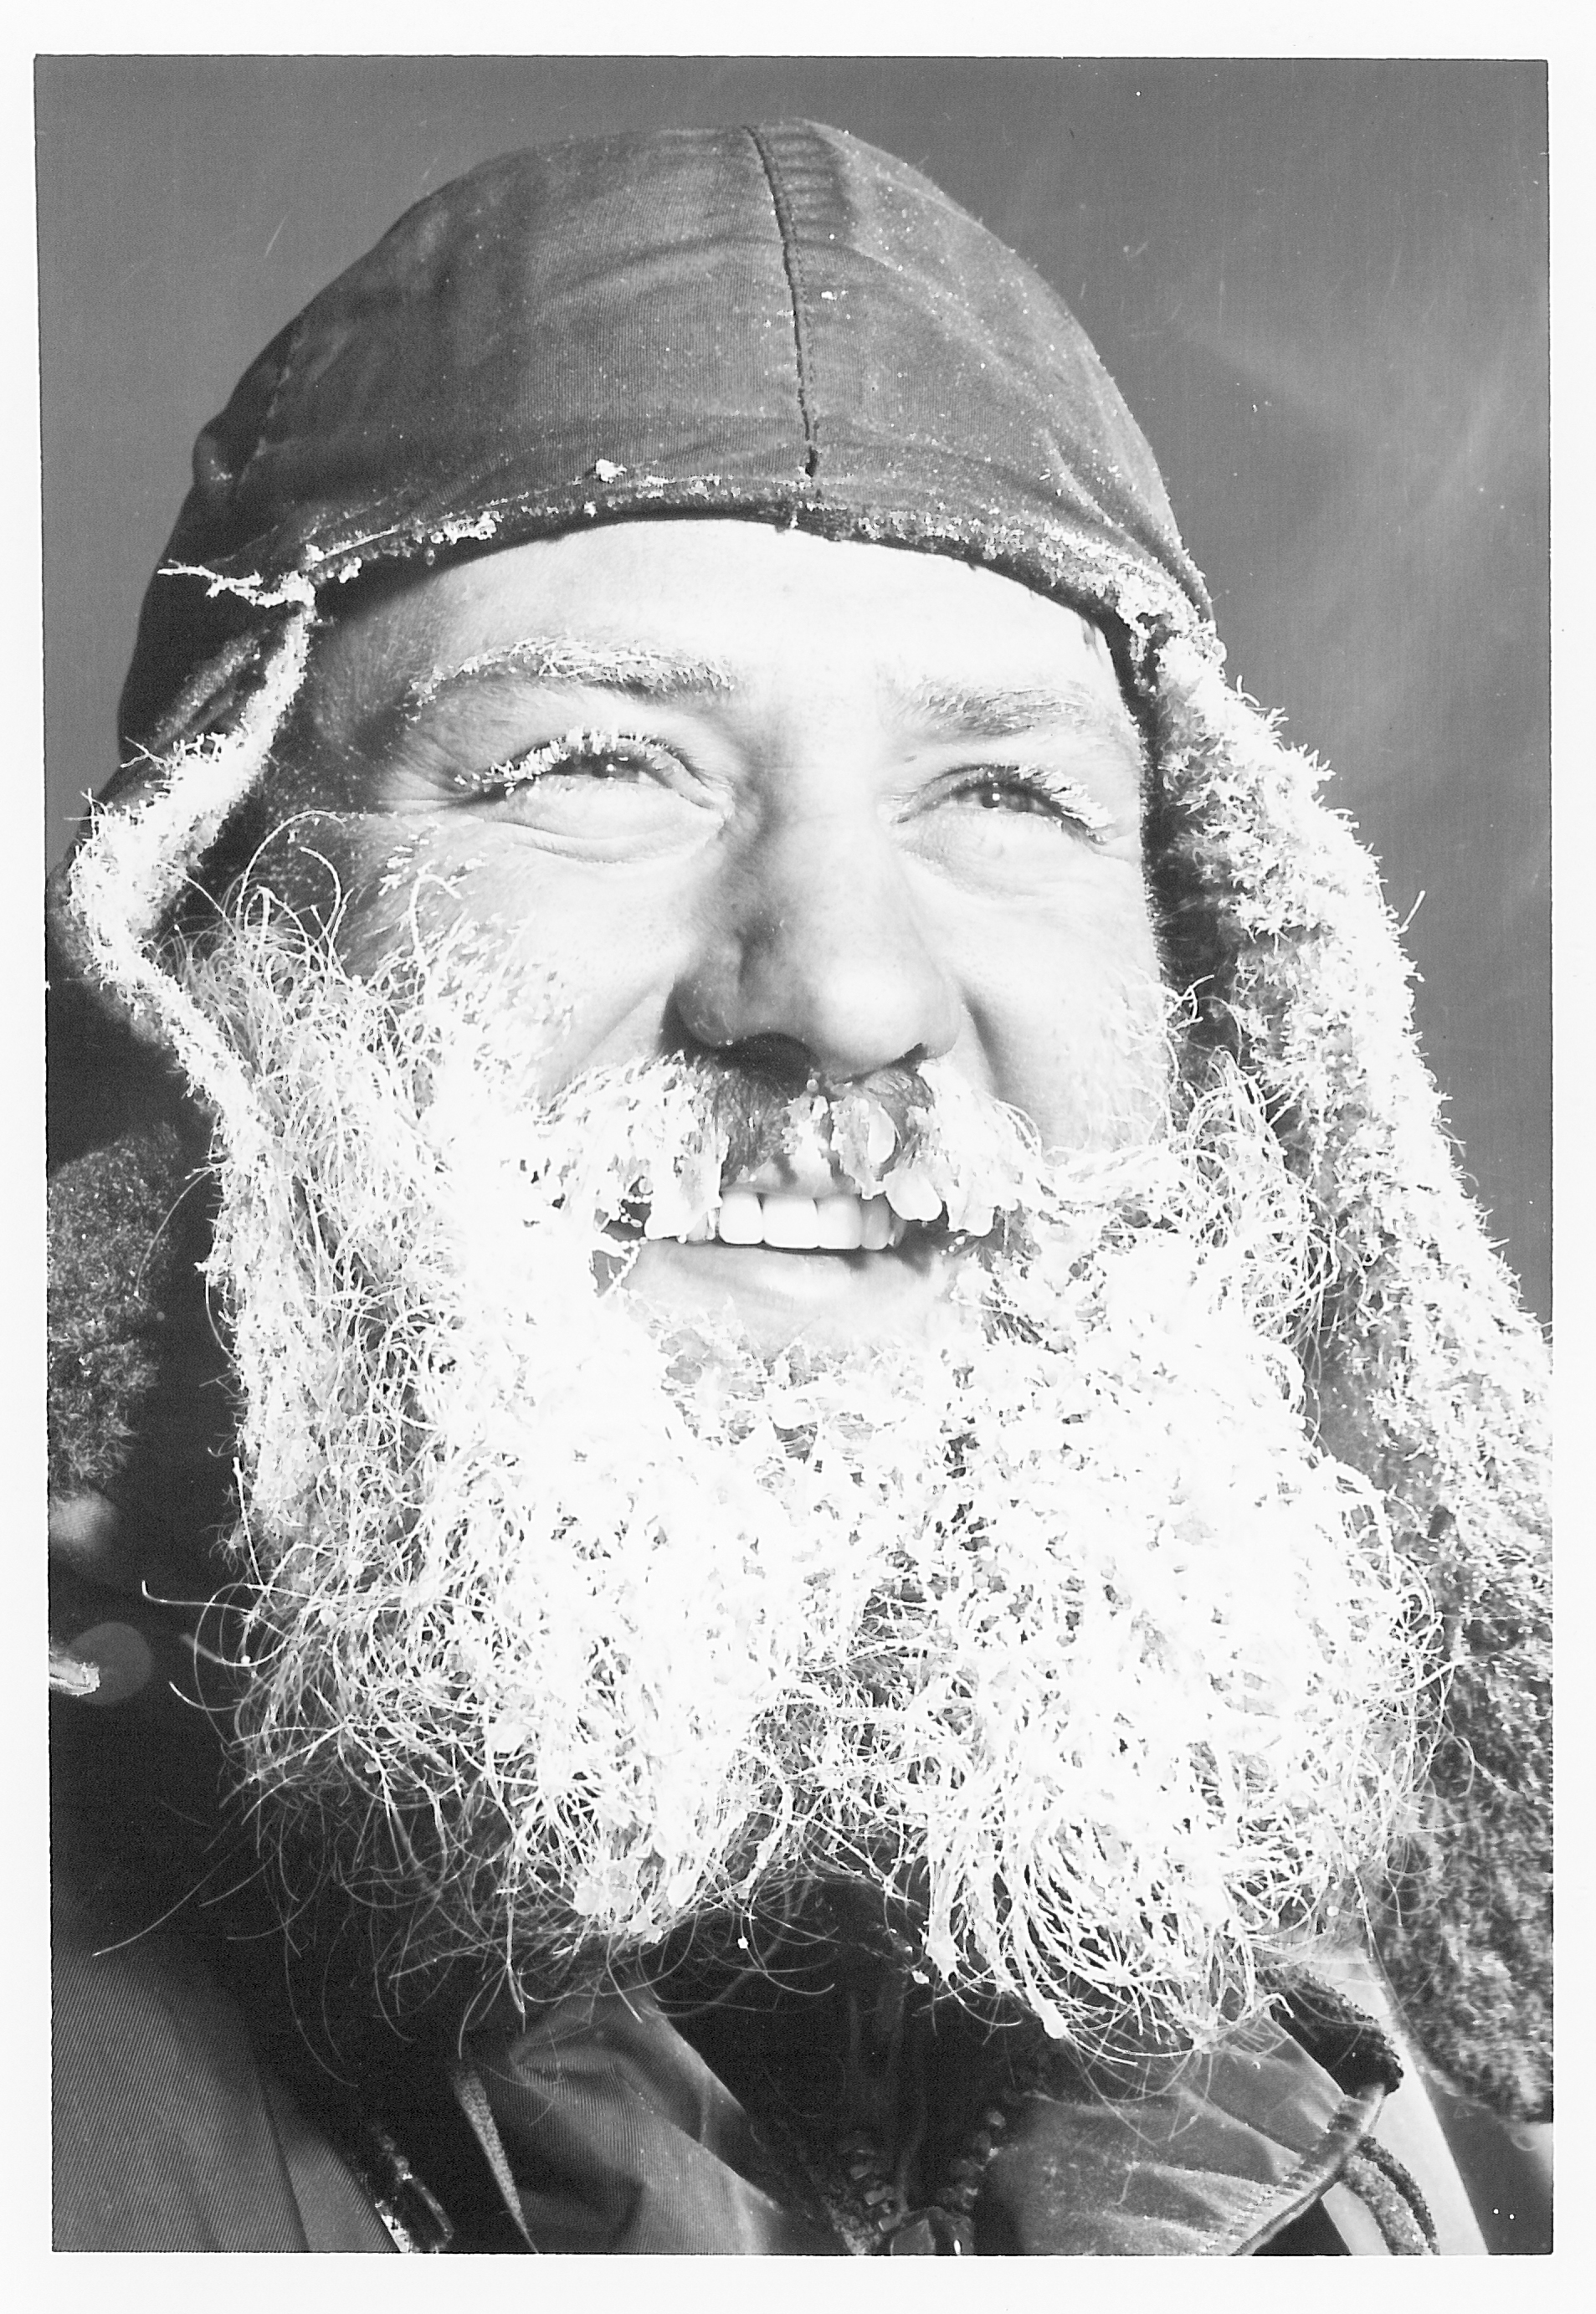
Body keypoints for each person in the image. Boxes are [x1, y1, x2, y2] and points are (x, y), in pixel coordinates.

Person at [46, 122, 1550, 2257]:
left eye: (1004, 794)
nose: (843, 989)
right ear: (211, 950)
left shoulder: (1439, 2172)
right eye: (592, 766)